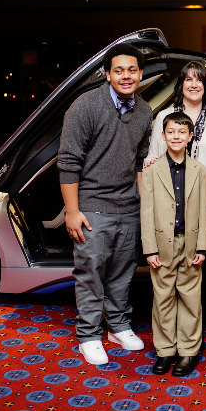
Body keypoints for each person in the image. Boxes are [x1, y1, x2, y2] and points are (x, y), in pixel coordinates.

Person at [57, 43, 152, 365]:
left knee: (123, 274)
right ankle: (89, 334)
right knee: (90, 274)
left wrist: (141, 205)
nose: (126, 76)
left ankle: (119, 326)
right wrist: (72, 211)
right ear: (107, 73)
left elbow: (140, 161)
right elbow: (68, 162)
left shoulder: (145, 111)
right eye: (119, 70)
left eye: (132, 70)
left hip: (128, 207)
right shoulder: (85, 106)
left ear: (140, 73)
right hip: (92, 207)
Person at [144, 61, 206, 321]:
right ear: (181, 85)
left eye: (200, 80)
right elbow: (152, 160)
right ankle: (182, 324)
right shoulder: (164, 117)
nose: (194, 84)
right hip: (175, 211)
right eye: (188, 79)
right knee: (179, 271)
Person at [141, 111, 206, 377]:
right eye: (171, 132)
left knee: (191, 298)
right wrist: (150, 249)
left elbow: (203, 210)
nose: (176, 137)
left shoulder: (200, 171)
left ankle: (188, 351)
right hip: (162, 244)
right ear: (163, 135)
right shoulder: (152, 172)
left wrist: (203, 246)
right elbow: (146, 213)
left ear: (190, 136)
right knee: (163, 298)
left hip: (191, 243)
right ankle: (166, 350)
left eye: (182, 132)